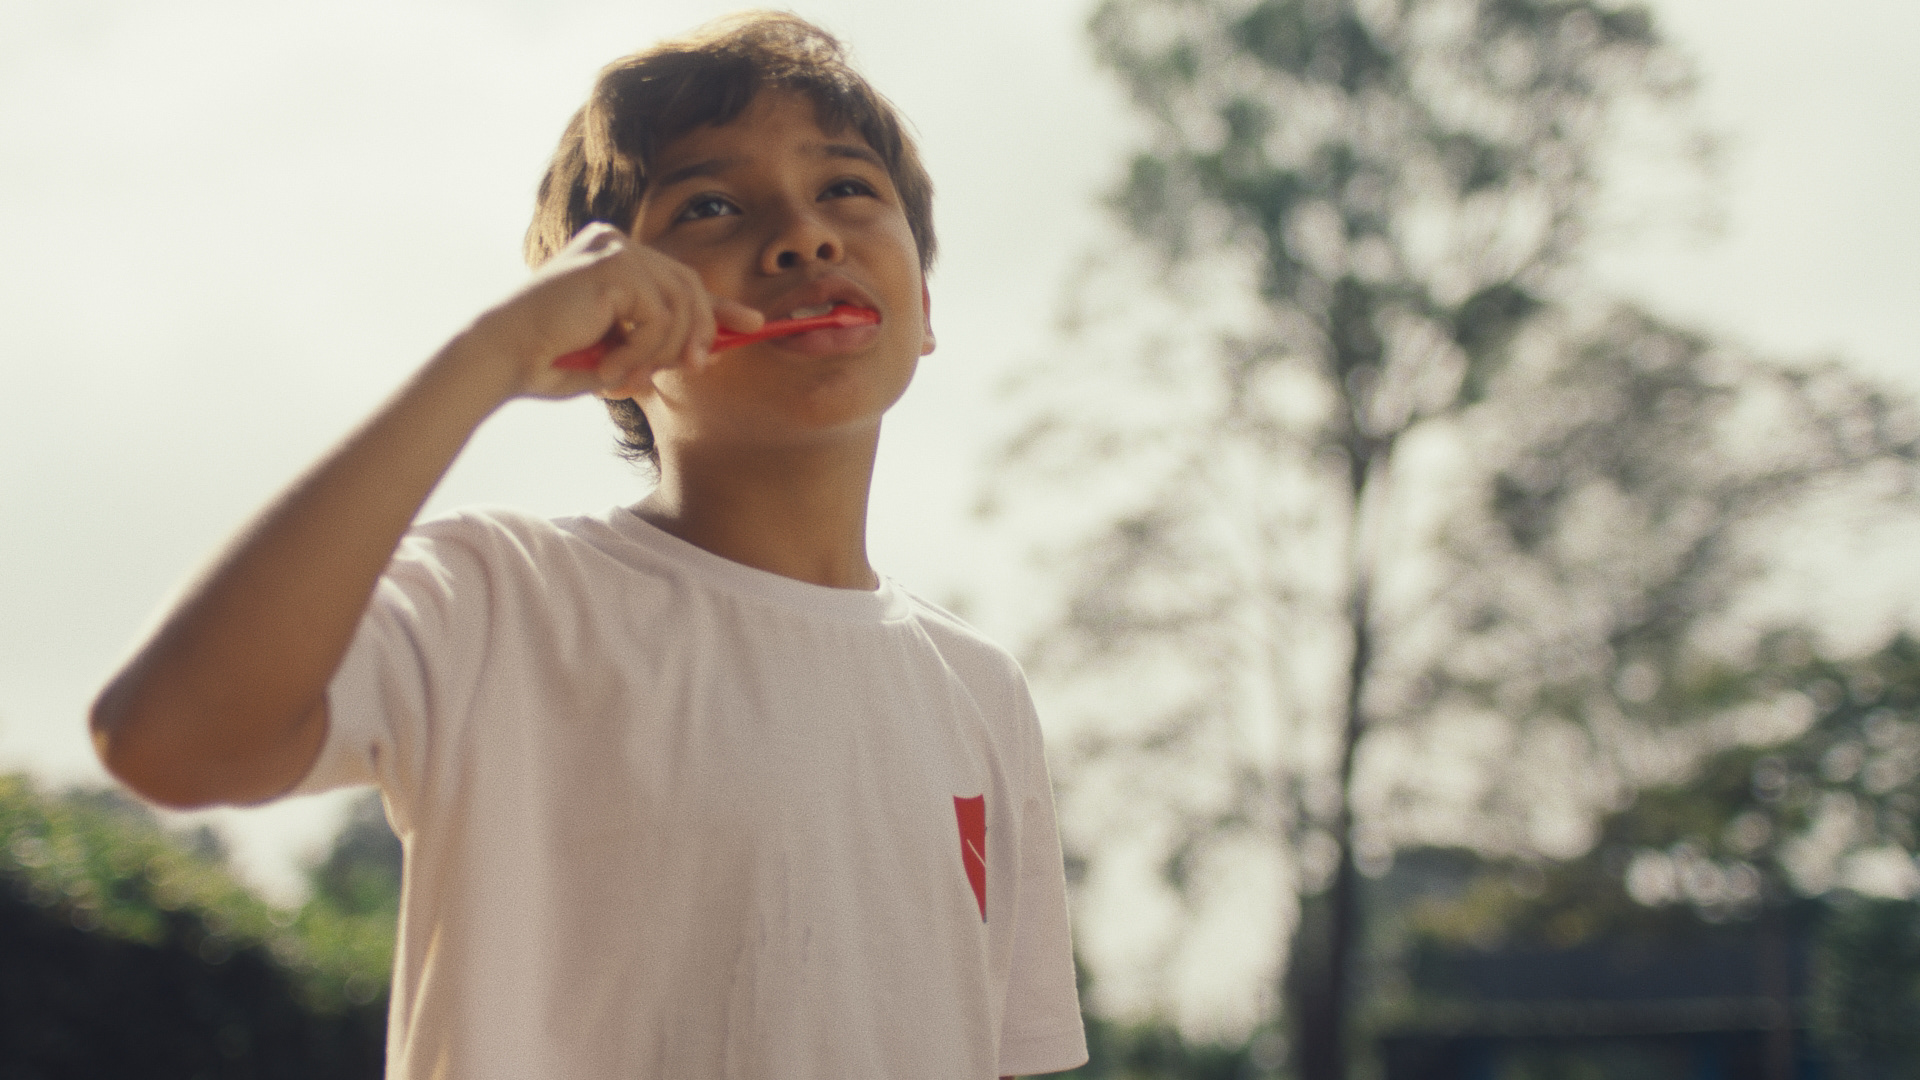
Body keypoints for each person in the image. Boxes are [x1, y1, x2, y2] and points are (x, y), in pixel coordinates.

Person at [88, 13, 1087, 1079]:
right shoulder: (499, 601)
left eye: (846, 187)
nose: (804, 236)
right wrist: (488, 356)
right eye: (711, 205)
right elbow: (167, 738)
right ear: (608, 328)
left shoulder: (980, 691)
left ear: (923, 306)